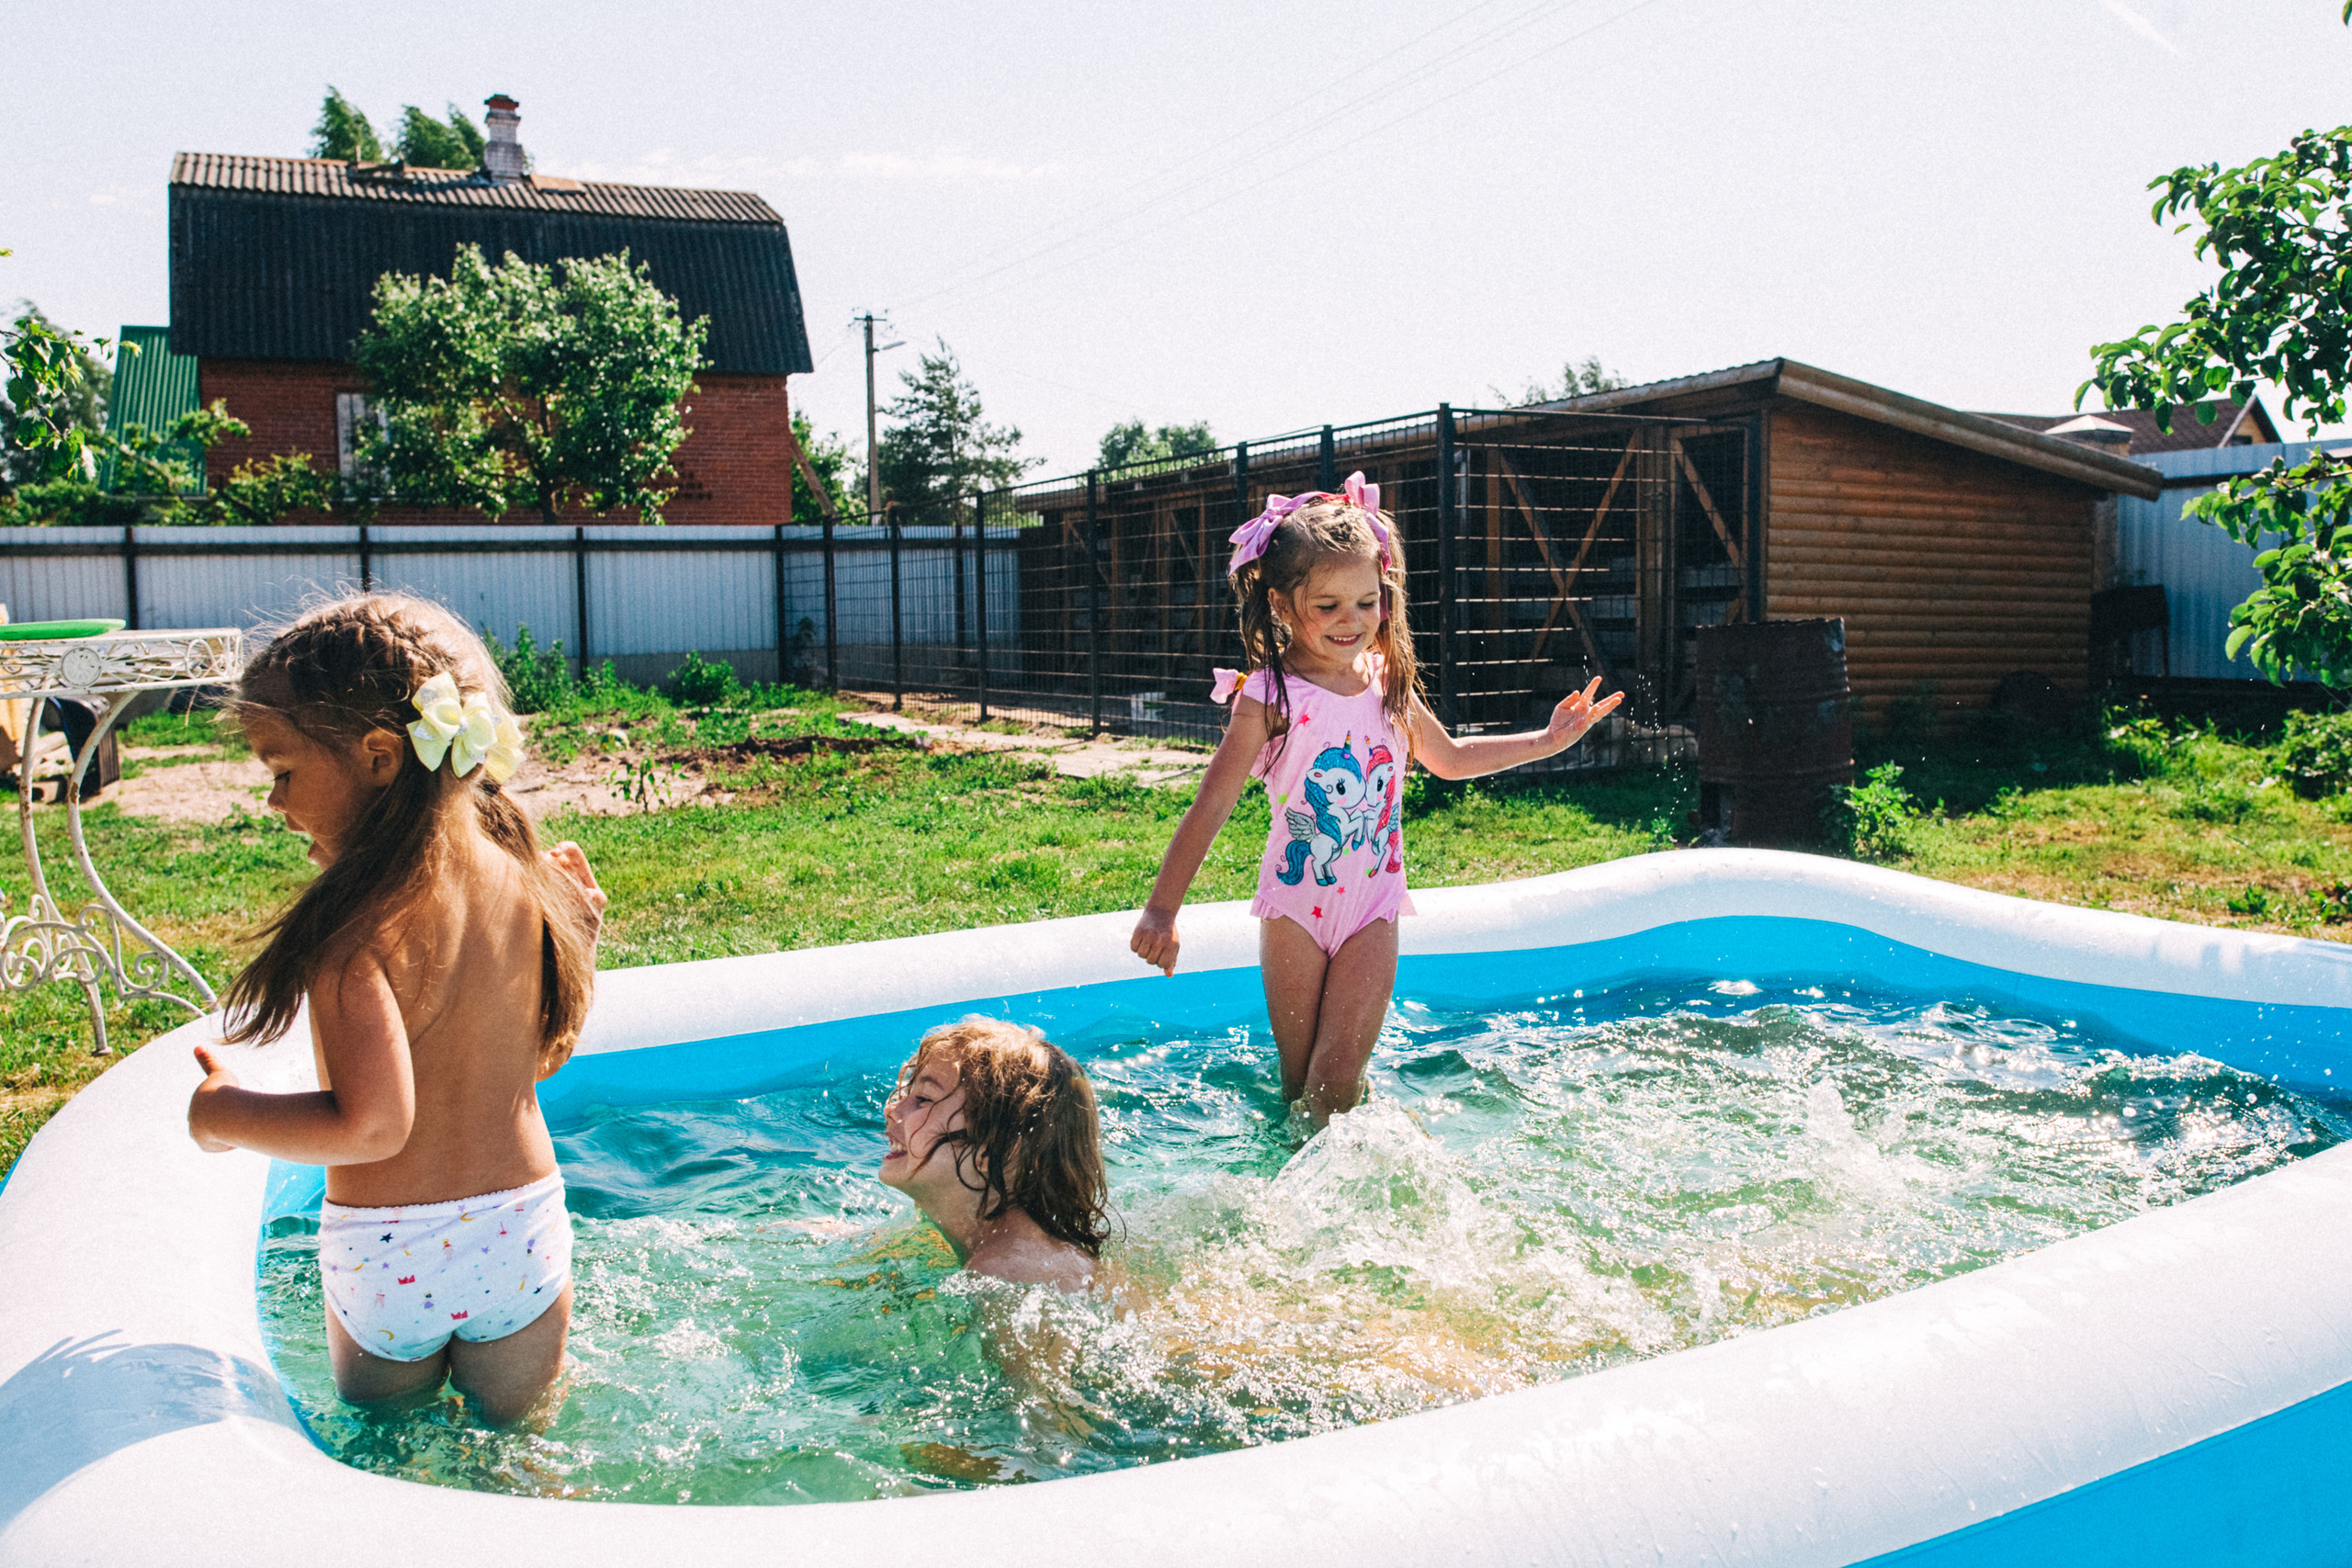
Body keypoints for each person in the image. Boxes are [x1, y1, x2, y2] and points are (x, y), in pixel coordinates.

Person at [186, 593, 606, 1427]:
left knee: (389, 1464)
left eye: (282, 771)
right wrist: (581, 941)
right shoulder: (521, 877)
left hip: (390, 1253)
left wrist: (222, 1112)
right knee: (529, 1463)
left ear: (380, 755)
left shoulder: (349, 932)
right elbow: (540, 1059)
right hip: (518, 1235)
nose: (274, 802)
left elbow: (373, 1127)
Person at [1128, 473, 1622, 1125]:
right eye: (1327, 605)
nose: (1350, 622)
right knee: (1298, 1086)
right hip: (1295, 908)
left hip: (1373, 905)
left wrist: (1548, 739)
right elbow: (1211, 805)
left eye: (1366, 603)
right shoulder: (1270, 695)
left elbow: (1449, 759)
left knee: (1334, 1086)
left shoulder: (1386, 680)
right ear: (1280, 603)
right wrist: (1162, 910)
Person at [878, 1018, 1110, 1292]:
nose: (891, 1109)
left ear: (991, 1149)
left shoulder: (1006, 1273)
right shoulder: (982, 1235)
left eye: (924, 1099)